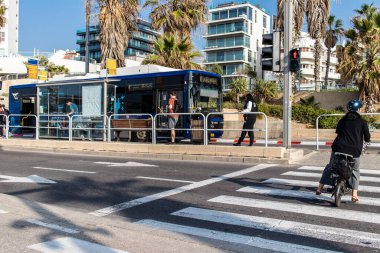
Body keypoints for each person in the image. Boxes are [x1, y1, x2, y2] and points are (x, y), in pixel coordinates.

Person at [316, 99, 371, 202]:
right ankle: (354, 194)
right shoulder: (362, 122)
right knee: (355, 170)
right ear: (358, 109)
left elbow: (338, 132)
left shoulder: (342, 120)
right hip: (354, 151)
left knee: (330, 166)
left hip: (338, 148)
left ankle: (319, 188)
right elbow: (367, 137)